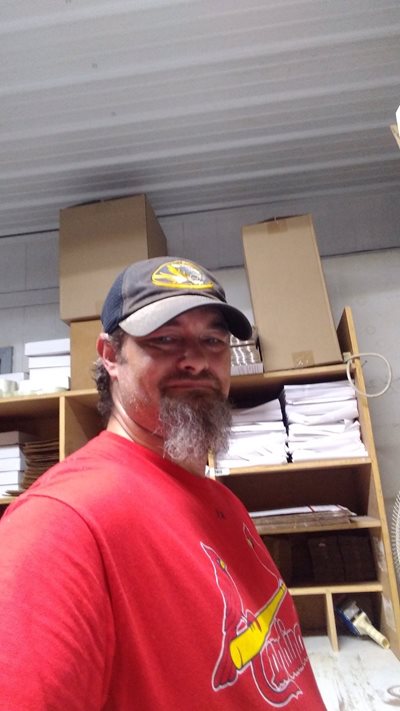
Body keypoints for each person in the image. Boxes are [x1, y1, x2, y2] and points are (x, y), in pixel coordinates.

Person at [0, 257, 326, 710]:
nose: (195, 360)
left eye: (212, 340)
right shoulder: (62, 523)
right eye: (165, 339)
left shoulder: (221, 500)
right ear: (111, 356)